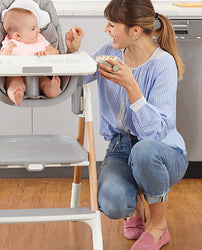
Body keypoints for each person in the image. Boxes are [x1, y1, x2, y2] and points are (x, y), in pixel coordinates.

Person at [65, 0, 188, 249]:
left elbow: (154, 133)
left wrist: (132, 86)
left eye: (112, 25)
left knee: (143, 151)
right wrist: (73, 54)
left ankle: (158, 226)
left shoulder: (163, 64)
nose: (106, 30)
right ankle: (134, 211)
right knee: (112, 203)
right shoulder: (108, 54)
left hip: (163, 152)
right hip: (120, 148)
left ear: (134, 31)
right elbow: (76, 78)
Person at [0, 0, 60, 105]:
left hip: (40, 74)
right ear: (17, 36)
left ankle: (52, 89)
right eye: (33, 28)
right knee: (13, 83)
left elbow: (56, 52)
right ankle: (16, 94)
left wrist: (45, 52)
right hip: (16, 74)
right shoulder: (10, 43)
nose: (38, 30)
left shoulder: (40, 39)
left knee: (45, 82)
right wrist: (7, 52)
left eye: (37, 26)